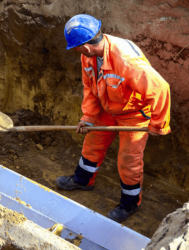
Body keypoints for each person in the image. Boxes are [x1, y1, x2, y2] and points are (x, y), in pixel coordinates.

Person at [56, 14, 171, 223]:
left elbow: (160, 88)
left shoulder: (126, 62)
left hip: (134, 114)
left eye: (75, 47)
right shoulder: (88, 56)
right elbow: (90, 87)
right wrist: (89, 117)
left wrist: (159, 125)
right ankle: (83, 180)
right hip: (107, 107)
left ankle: (129, 204)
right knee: (92, 143)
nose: (75, 51)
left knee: (129, 161)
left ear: (86, 46)